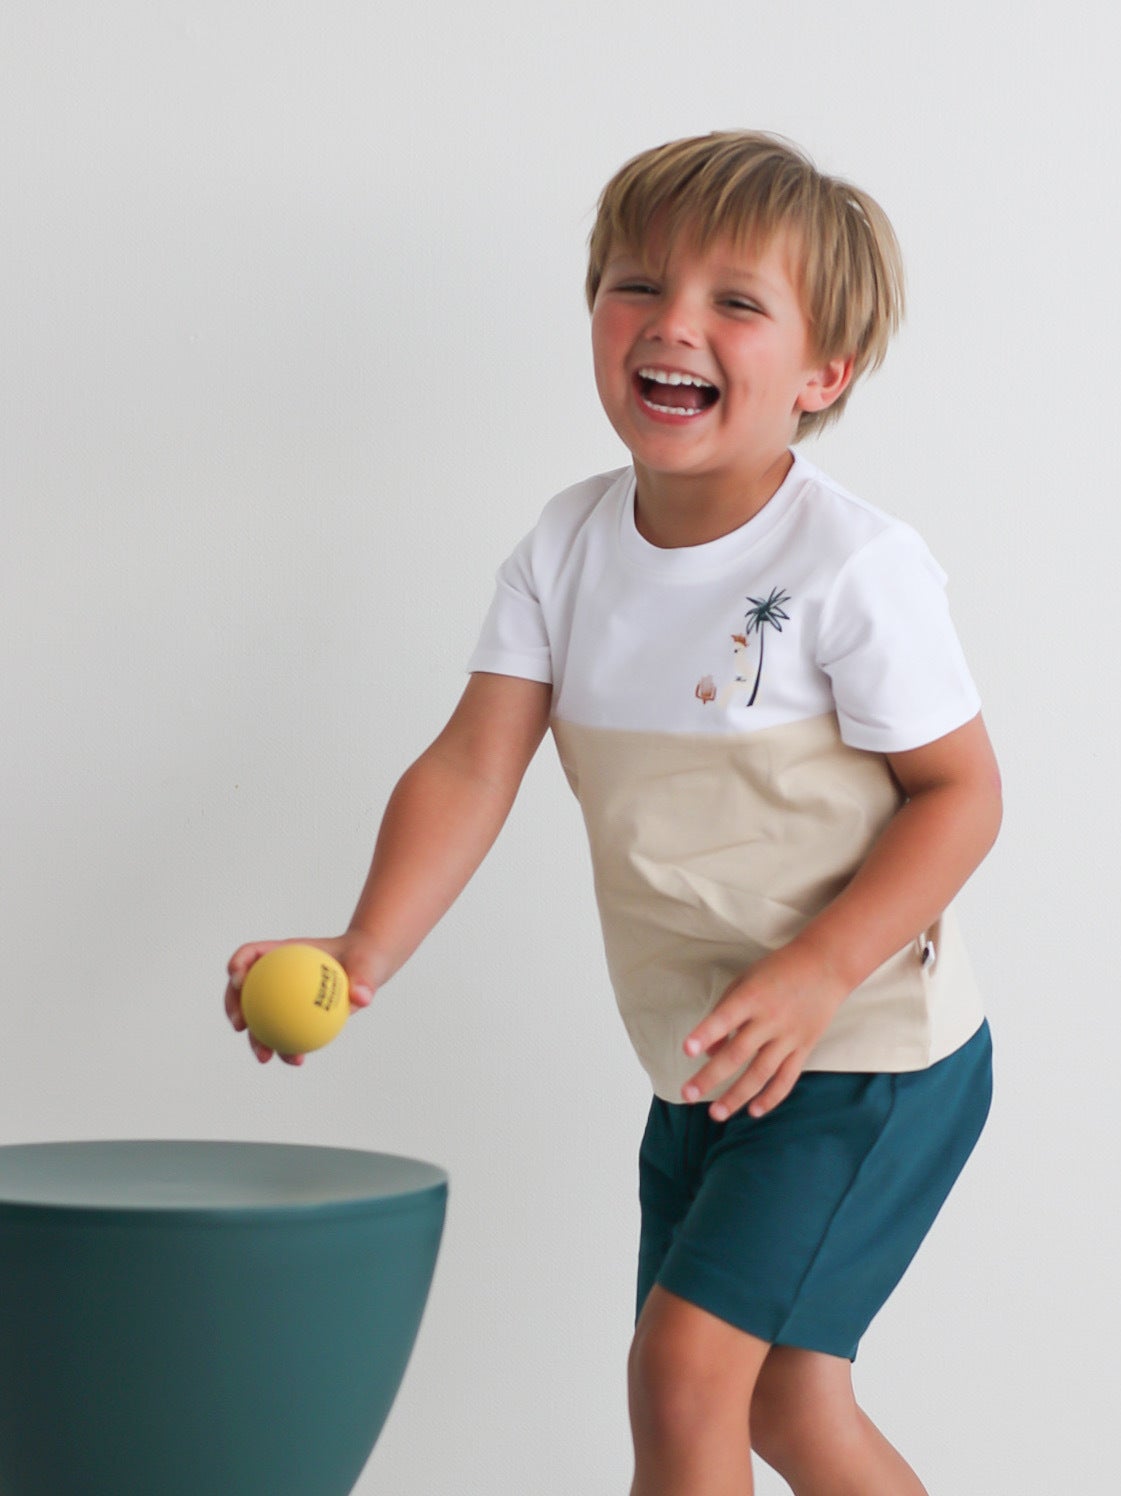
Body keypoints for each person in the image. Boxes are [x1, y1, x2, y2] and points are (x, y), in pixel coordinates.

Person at [225, 129, 1003, 1496]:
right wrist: (364, 952)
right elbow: (474, 764)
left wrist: (820, 972)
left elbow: (962, 798)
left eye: (735, 302)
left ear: (824, 374)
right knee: (783, 1405)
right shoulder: (568, 547)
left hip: (864, 1050)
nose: (672, 322)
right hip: (707, 1058)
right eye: (636, 283)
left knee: (684, 1376)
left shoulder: (853, 568)